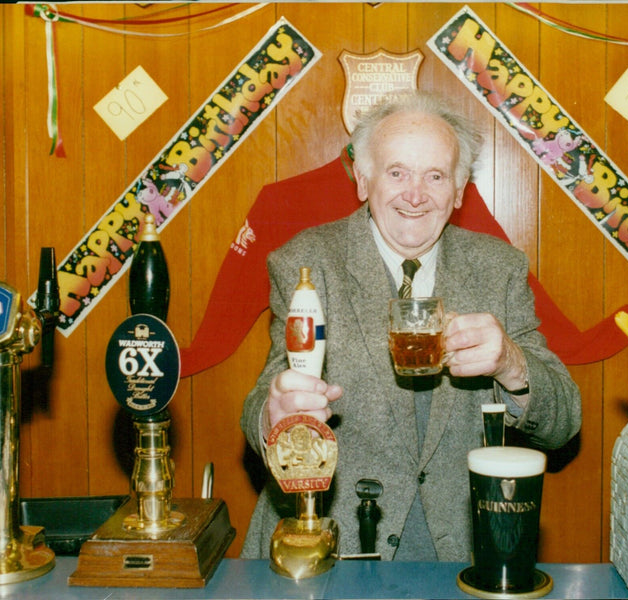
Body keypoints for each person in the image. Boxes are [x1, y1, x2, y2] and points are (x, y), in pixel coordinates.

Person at [240, 91, 581, 561]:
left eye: (435, 176)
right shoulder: (306, 264)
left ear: (459, 190)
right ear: (363, 178)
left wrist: (511, 363)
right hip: (331, 548)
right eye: (397, 172)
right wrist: (273, 416)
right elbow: (264, 398)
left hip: (462, 555)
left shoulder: (499, 267)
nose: (415, 194)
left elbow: (563, 423)